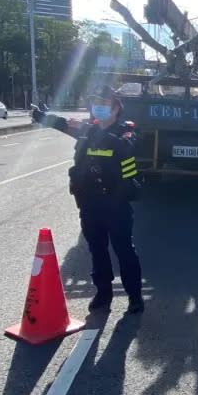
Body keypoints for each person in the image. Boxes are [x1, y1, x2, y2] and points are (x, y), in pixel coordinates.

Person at [31, 85, 145, 313]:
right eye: (96, 105)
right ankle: (103, 295)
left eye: (105, 105)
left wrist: (101, 134)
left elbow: (126, 146)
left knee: (124, 250)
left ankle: (135, 298)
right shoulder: (87, 130)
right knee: (97, 250)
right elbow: (63, 124)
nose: (99, 109)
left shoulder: (126, 131)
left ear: (115, 109)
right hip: (90, 203)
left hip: (116, 202)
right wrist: (42, 116)